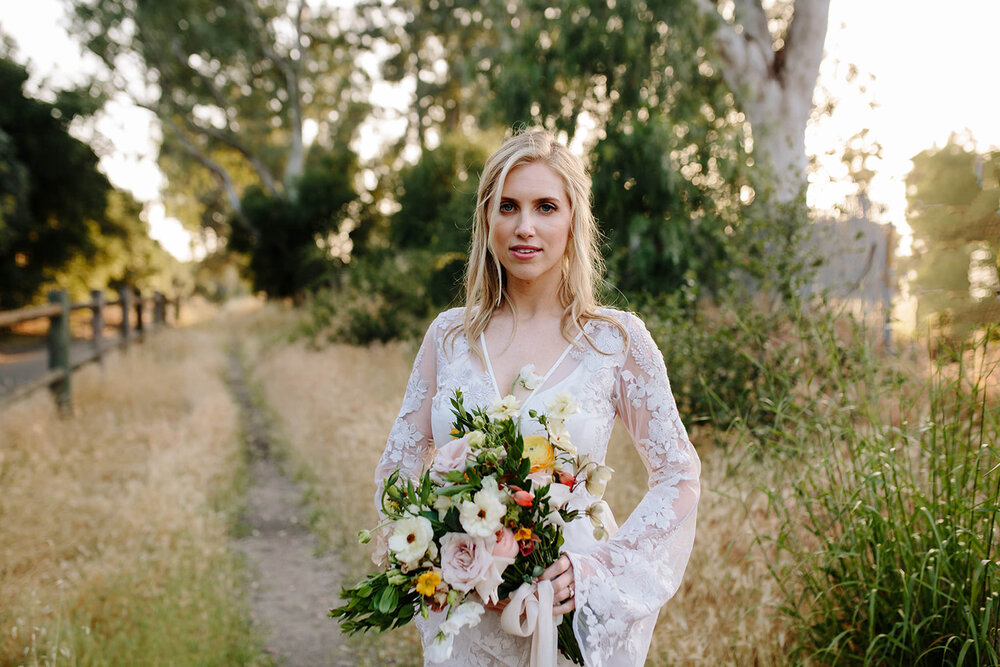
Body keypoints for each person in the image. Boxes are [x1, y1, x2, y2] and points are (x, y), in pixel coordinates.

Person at [374, 129, 701, 666]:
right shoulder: (450, 337)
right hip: (464, 611)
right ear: (487, 221)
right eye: (508, 206)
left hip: (565, 610)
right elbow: (400, 463)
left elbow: (678, 476)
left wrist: (596, 568)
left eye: (545, 206)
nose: (525, 226)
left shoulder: (615, 341)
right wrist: (433, 555)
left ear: (573, 219)